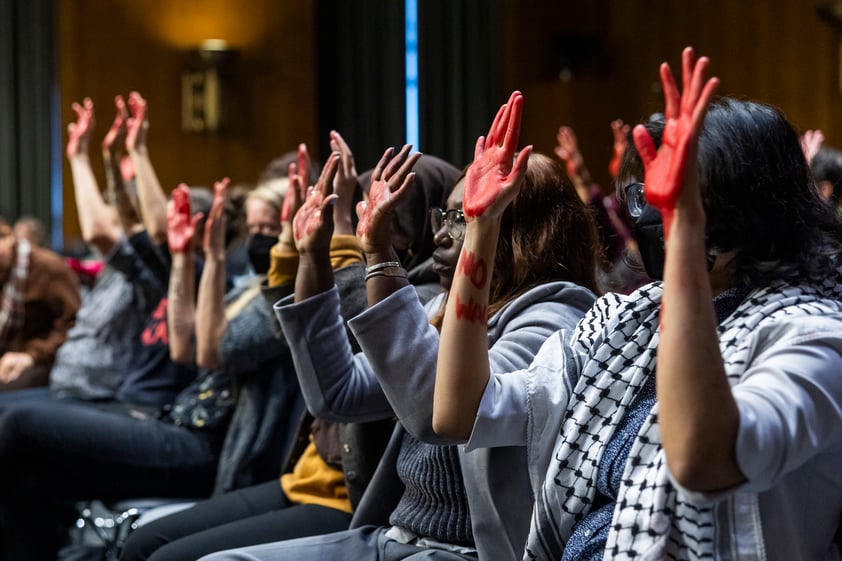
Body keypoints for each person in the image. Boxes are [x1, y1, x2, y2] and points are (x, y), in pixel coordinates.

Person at [432, 48, 842, 561]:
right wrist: (482, 228)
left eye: (668, 197)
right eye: (642, 195)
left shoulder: (815, 337)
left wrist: (686, 231)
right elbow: (460, 411)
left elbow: (701, 459)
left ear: (740, 214)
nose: (644, 213)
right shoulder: (626, 320)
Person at [200, 109, 601, 560]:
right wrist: (312, 259)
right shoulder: (444, 306)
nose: (442, 239)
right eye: (445, 217)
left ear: (525, 231)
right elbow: (337, 393)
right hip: (397, 536)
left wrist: (381, 259)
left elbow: (439, 416)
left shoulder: (555, 320)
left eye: (463, 217)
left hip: (462, 552)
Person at [0, 216, 80, 391]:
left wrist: (32, 355)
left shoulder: (48, 268)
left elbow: (75, 325)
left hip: (45, 358)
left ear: (9, 236)